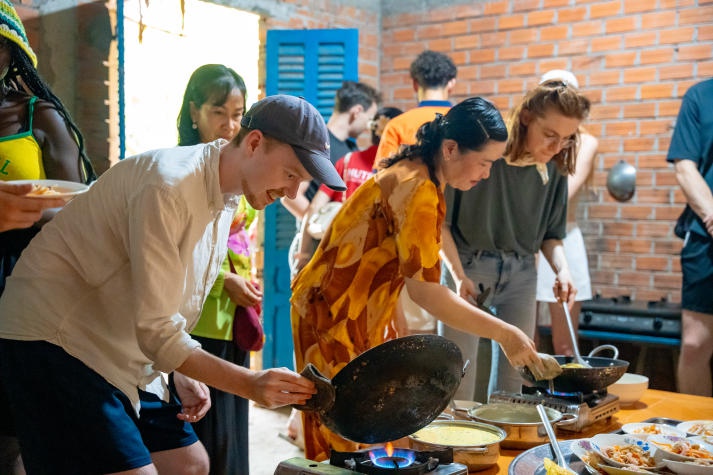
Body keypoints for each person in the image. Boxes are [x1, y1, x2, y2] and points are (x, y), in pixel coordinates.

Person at [0, 95, 341, 474]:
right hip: (55, 336)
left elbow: (166, 301)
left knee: (189, 465)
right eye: (290, 174)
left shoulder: (225, 194)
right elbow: (157, 330)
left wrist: (180, 371)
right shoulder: (170, 187)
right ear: (255, 143)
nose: (292, 193)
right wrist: (250, 383)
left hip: (117, 344)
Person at [291, 97, 552, 461]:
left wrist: (393, 324)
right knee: (340, 427)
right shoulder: (419, 189)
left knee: (362, 423)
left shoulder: (423, 173)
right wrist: (505, 333)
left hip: (354, 309)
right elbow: (430, 294)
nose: (486, 174)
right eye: (484, 162)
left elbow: (388, 260)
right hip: (330, 311)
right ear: (450, 149)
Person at [440, 79, 591, 402]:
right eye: (550, 135)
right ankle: (453, 449)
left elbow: (551, 235)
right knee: (458, 373)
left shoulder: (554, 167)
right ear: (525, 117)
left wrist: (562, 271)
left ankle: (504, 447)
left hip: (522, 270)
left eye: (566, 139)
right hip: (466, 263)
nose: (556, 146)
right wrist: (458, 275)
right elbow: (441, 225)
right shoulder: (483, 152)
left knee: (516, 377)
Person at [0, 1, 96, 472]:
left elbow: (80, 205)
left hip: (23, 277)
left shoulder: (38, 115)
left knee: (17, 424)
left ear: (12, 54)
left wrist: (33, 213)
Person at [176, 64, 257, 475]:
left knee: (231, 429)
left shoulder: (238, 169)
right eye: (218, 112)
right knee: (203, 425)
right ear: (194, 112)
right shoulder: (180, 170)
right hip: (196, 319)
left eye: (238, 113)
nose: (230, 125)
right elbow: (175, 253)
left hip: (232, 317)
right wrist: (226, 280)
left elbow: (238, 240)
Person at [291, 106, 403, 273]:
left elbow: (314, 207)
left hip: (336, 255)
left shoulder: (347, 161)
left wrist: (305, 253)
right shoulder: (398, 173)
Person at [535, 70, 599, 356]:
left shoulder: (585, 142)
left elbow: (561, 196)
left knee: (565, 343)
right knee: (525, 339)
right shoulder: (531, 138)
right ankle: (526, 399)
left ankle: (566, 398)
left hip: (563, 235)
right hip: (528, 239)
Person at [666, 78, 713, 397]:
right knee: (695, 344)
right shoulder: (700, 96)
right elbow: (685, 166)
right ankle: (699, 442)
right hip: (705, 237)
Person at [281, 80, 381, 220]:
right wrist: (321, 227)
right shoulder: (316, 143)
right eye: (369, 119)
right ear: (357, 111)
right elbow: (291, 197)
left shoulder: (353, 150)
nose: (368, 127)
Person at [374, 49, 457, 165]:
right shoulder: (467, 122)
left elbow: (381, 176)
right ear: (452, 83)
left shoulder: (396, 125)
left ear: (415, 84)